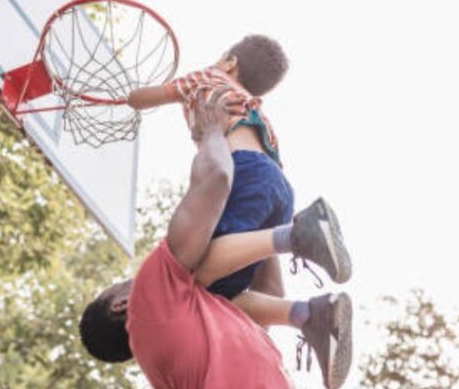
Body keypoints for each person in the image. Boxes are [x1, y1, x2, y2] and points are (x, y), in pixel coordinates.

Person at [78, 87, 352, 389]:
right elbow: (217, 180)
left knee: (212, 279)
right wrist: (210, 131)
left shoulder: (194, 331)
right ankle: (296, 238)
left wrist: (268, 210)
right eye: (116, 285)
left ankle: (308, 313)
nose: (130, 278)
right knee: (198, 262)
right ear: (120, 305)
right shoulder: (149, 302)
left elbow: (268, 297)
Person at [127, 35, 351, 308]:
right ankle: (307, 313)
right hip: (279, 187)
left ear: (230, 62)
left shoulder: (207, 78)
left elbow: (139, 98)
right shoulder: (255, 109)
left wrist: (127, 97)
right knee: (221, 292)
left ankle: (298, 236)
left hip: (244, 172)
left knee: (189, 275)